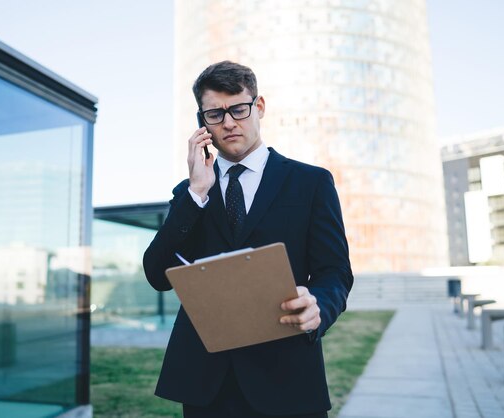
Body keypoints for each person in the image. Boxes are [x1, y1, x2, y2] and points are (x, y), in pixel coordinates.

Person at [143, 60, 353, 418]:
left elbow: (335, 272)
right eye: (214, 114)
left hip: (285, 374)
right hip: (206, 380)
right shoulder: (189, 193)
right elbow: (156, 273)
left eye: (238, 109)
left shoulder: (311, 183)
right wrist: (196, 193)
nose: (228, 122)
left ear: (259, 107)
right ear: (202, 122)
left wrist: (319, 304)